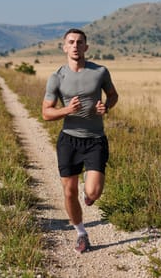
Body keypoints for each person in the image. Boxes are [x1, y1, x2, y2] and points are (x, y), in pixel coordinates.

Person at [42, 28, 119, 253]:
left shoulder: (100, 72)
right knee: (69, 192)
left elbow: (113, 95)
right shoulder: (57, 77)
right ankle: (81, 233)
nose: (75, 46)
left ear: (86, 47)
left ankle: (89, 194)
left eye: (80, 42)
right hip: (69, 141)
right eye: (71, 42)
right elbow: (46, 113)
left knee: (93, 193)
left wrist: (106, 106)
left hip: (95, 139)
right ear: (64, 47)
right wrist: (67, 109)